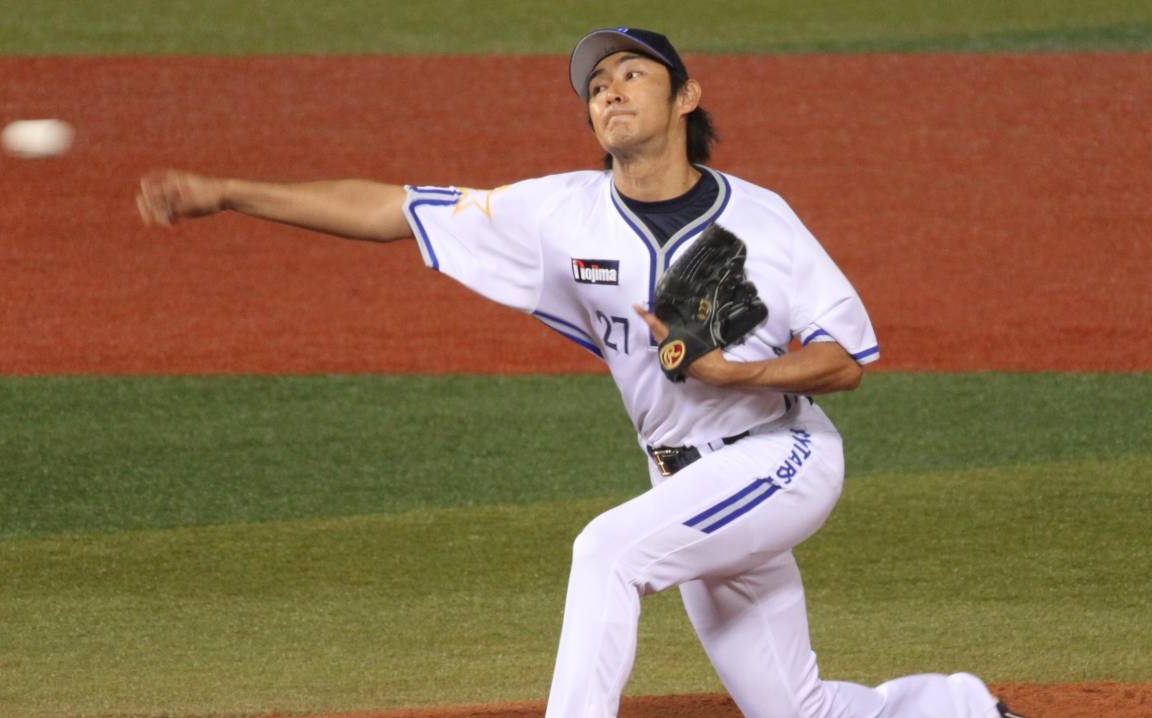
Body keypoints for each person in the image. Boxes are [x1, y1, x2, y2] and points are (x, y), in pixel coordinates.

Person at [137, 26, 1027, 718]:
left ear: (685, 97)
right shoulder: (557, 214)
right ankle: (962, 707)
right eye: (596, 85)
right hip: (682, 480)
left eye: (632, 74)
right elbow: (392, 210)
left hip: (780, 457)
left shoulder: (762, 221)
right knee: (795, 709)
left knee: (606, 552)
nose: (610, 91)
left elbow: (843, 362)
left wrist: (735, 375)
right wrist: (228, 193)